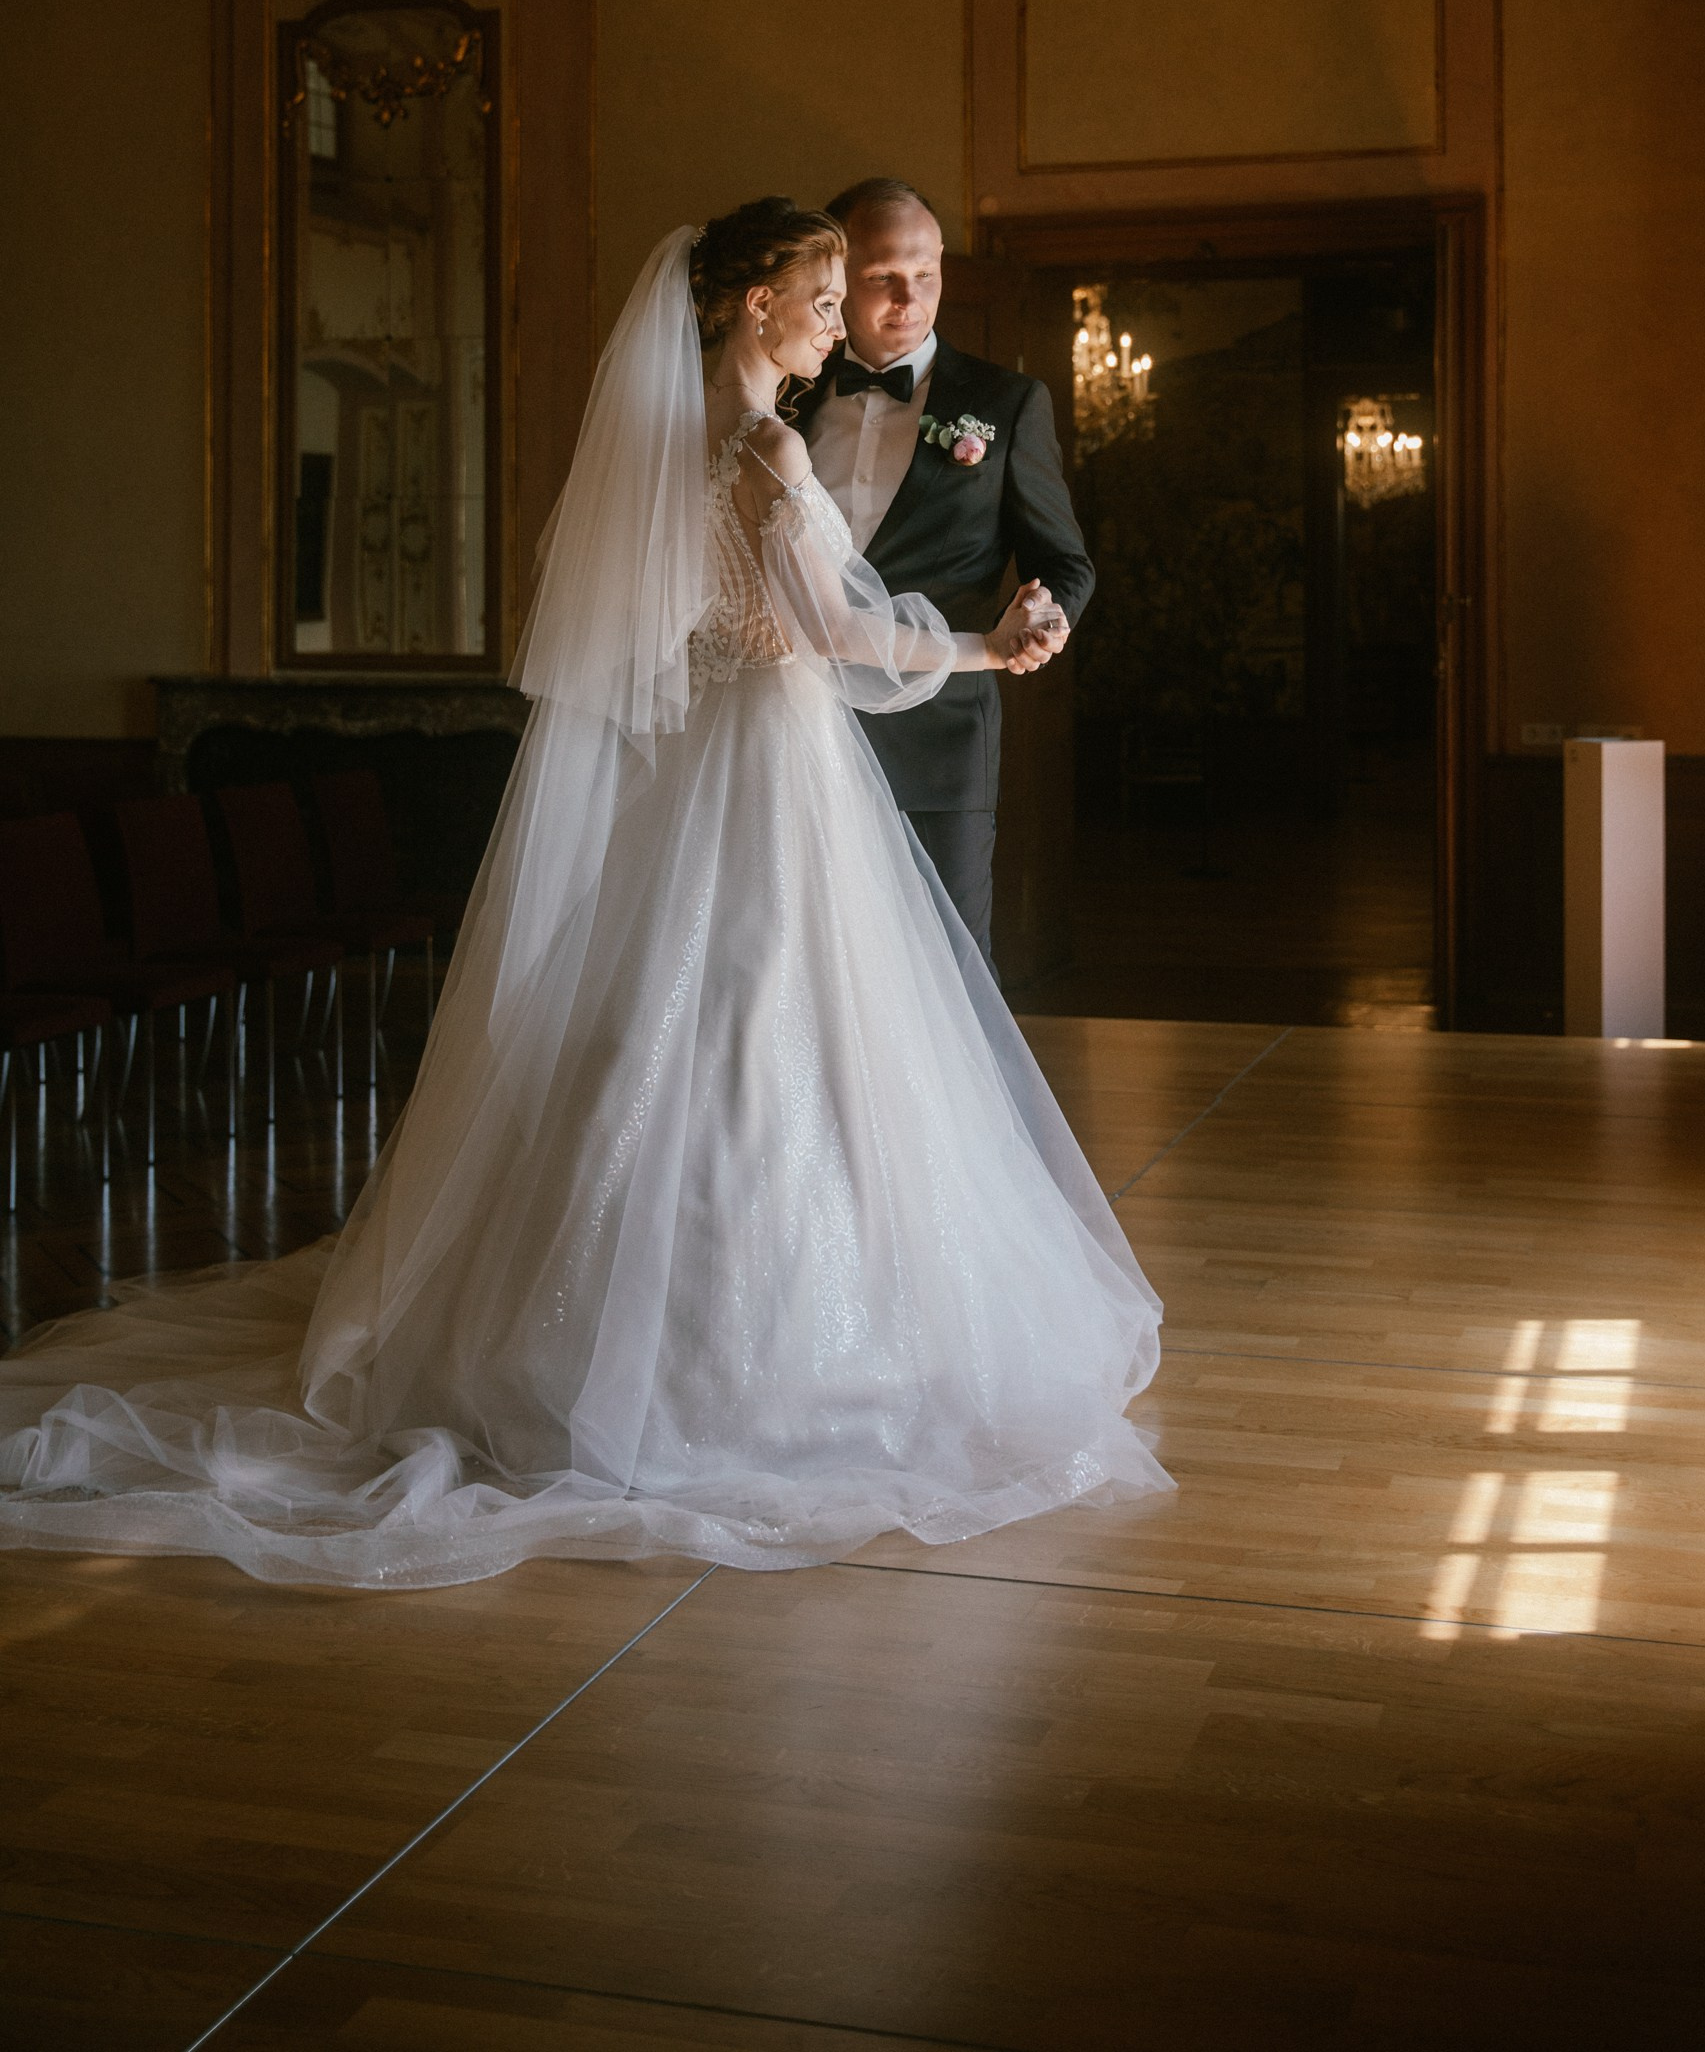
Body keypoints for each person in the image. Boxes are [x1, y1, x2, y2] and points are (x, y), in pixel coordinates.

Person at [0, 201, 1167, 1589]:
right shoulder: (765, 445)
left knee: (700, 1033)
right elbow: (835, 632)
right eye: (818, 296)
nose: (834, 319)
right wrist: (985, 649)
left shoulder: (669, 439)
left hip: (697, 769)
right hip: (772, 769)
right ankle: (771, 1362)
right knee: (773, 1033)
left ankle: (595, 1338)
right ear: (754, 306)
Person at [800, 178, 1094, 961]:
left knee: (949, 970)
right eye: (883, 277)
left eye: (926, 274)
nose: (910, 298)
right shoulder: (786, 399)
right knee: (817, 966)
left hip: (940, 734)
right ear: (837, 276)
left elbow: (1063, 561)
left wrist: (1045, 618)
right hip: (799, 727)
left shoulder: (1006, 403)